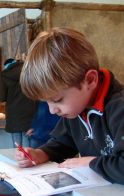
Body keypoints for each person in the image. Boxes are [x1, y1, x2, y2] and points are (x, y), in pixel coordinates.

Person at [16, 27, 124, 184]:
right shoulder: (76, 110)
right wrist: (41, 154)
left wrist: (90, 163)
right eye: (46, 102)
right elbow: (62, 144)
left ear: (90, 80)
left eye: (58, 100)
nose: (52, 110)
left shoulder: (119, 108)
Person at [0, 58, 36, 148]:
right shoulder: (30, 71)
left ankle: (19, 160)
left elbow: (2, 98)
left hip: (14, 113)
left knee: (17, 146)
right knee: (29, 142)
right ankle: (30, 160)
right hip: (30, 110)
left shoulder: (4, 75)